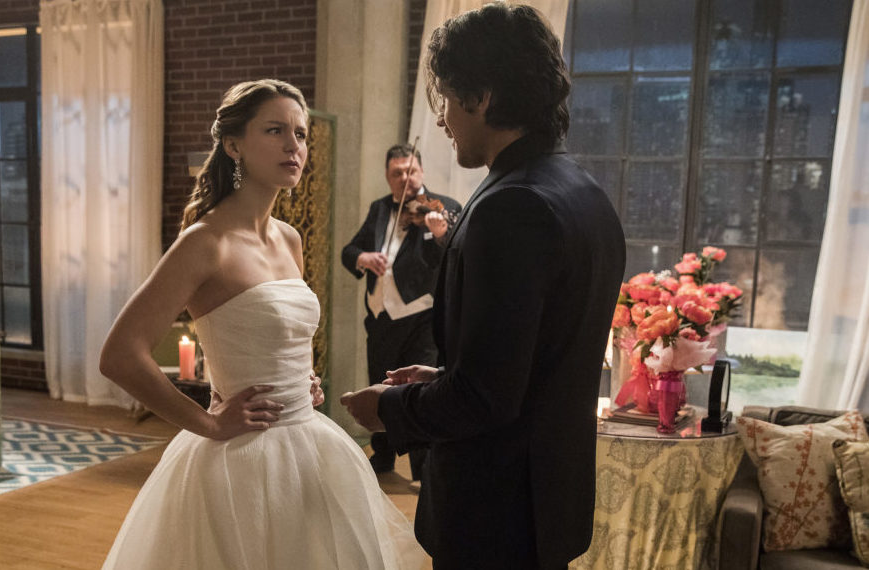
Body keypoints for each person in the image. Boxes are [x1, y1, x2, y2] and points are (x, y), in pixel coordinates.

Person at [341, 5, 626, 569]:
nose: (441, 119)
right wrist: (445, 375)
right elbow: (531, 362)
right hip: (546, 498)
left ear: (483, 97)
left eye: (447, 98)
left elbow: (487, 398)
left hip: (497, 511)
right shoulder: (583, 191)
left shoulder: (512, 206)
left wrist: (390, 408)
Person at [99, 79, 424, 569]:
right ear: (233, 145)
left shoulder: (289, 239)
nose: (294, 146)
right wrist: (208, 422)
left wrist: (302, 378)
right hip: (240, 460)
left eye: (301, 134)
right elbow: (120, 355)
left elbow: (281, 329)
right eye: (275, 131)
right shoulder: (205, 242)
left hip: (309, 444)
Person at [341, 144, 460, 478]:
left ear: (421, 171)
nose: (406, 178)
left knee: (418, 391)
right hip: (380, 317)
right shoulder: (380, 208)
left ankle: (422, 468)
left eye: (411, 171)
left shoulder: (444, 207)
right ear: (388, 176)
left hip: (422, 317)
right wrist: (363, 258)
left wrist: (439, 234)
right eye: (398, 173)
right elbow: (350, 250)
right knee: (380, 383)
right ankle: (383, 456)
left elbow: (452, 260)